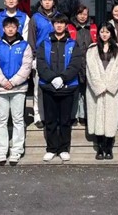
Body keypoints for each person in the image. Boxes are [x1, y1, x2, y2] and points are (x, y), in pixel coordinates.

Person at [0, 16, 34, 165]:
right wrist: (3, 82)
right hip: (1, 88)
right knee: (1, 120)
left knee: (18, 119)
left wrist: (13, 82)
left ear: (17, 28)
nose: (10, 29)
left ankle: (16, 150)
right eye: (7, 27)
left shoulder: (25, 46)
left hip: (18, 88)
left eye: (13, 27)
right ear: (3, 28)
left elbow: (26, 66)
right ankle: (2, 151)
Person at [36, 13, 82, 162]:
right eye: (57, 23)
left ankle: (63, 148)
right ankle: (51, 149)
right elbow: (41, 63)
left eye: (62, 23)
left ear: (66, 26)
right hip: (49, 87)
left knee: (65, 120)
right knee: (50, 120)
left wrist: (62, 78)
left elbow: (75, 64)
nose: (59, 25)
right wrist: (52, 78)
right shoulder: (44, 43)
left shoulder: (73, 44)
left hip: (67, 87)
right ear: (53, 25)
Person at [85, 22, 118, 160]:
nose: (104, 34)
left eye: (107, 32)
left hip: (112, 90)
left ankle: (109, 148)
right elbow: (91, 70)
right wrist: (99, 86)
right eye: (102, 32)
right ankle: (100, 148)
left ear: (111, 33)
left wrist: (110, 85)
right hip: (96, 91)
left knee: (110, 118)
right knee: (97, 118)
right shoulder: (92, 49)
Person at [28, 0, 59, 129]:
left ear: (54, 2)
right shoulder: (35, 18)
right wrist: (33, 57)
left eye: (50, 0)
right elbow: (31, 39)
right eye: (45, 0)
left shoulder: (59, 17)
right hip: (40, 57)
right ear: (41, 2)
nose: (47, 2)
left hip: (56, 57)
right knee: (38, 88)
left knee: (55, 87)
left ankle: (52, 115)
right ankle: (38, 115)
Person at [67, 5, 97, 126]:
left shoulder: (93, 28)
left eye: (85, 14)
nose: (82, 16)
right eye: (80, 14)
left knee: (87, 92)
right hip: (74, 63)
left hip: (89, 64)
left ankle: (84, 115)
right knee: (75, 91)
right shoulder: (69, 28)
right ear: (76, 15)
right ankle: (73, 115)